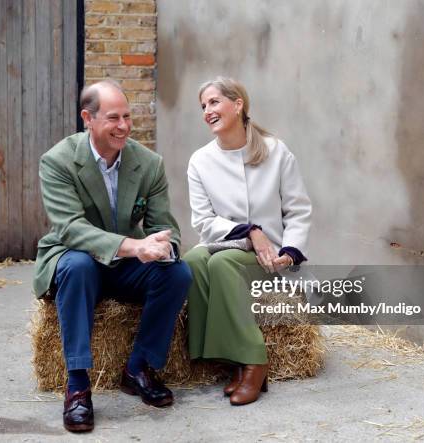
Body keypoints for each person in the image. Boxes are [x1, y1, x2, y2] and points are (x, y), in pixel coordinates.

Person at [33, 79, 192, 432]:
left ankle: (138, 368)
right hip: (74, 258)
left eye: (127, 117)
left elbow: (166, 225)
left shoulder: (148, 163)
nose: (123, 126)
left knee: (178, 274)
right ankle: (76, 386)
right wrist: (136, 246)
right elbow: (71, 229)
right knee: (77, 265)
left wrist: (164, 246)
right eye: (113, 118)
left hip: (122, 264)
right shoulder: (58, 161)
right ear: (87, 118)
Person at [183, 77, 312, 406]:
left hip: (269, 255)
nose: (207, 111)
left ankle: (254, 361)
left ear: (237, 104)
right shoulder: (200, 160)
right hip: (226, 242)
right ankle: (223, 359)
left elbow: (298, 209)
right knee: (194, 262)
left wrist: (291, 252)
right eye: (203, 106)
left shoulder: (275, 151)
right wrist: (249, 230)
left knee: (223, 263)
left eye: (213, 102)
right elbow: (203, 222)